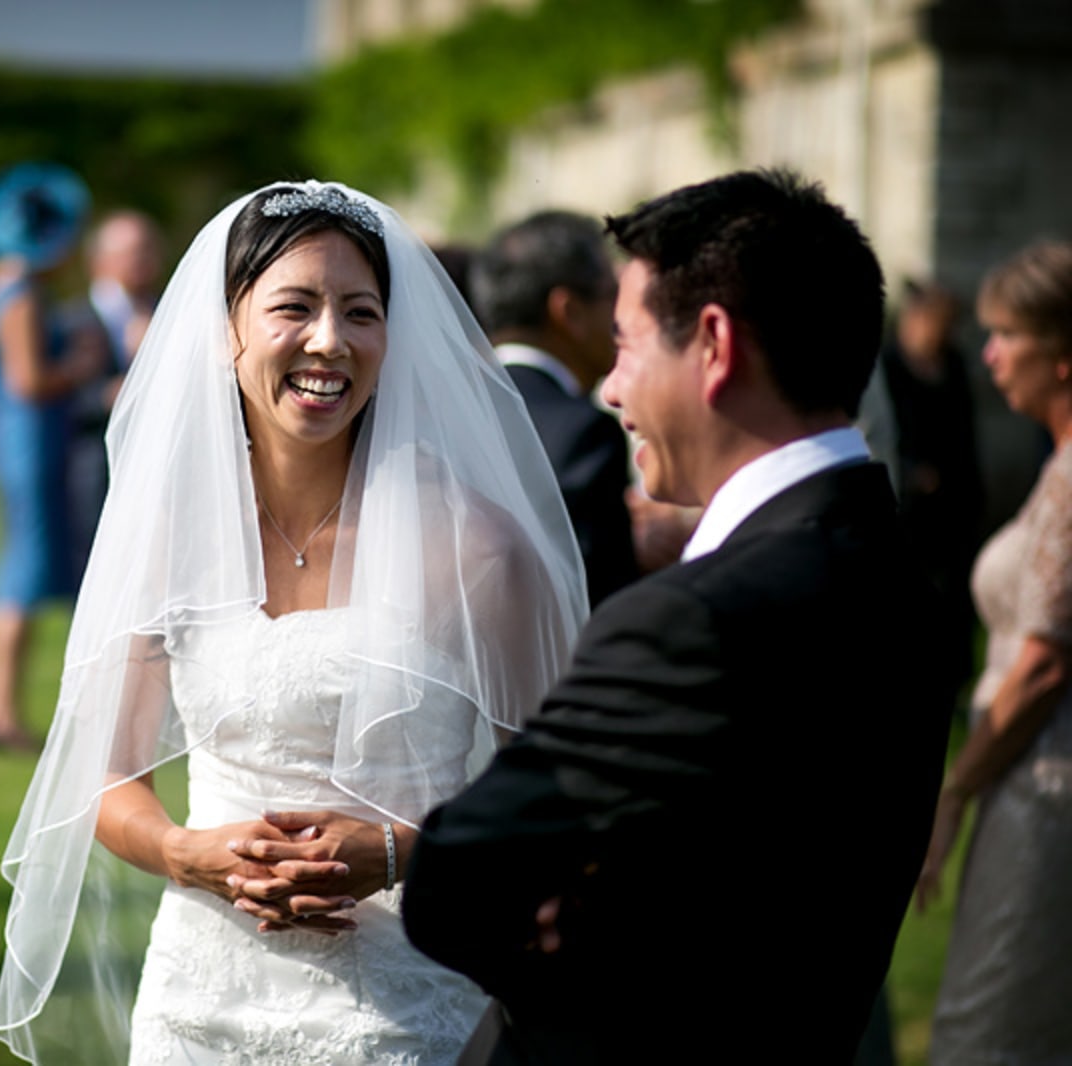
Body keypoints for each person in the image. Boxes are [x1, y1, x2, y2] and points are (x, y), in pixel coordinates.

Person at [0, 180, 588, 1064]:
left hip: (407, 1012)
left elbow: (555, 805)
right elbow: (106, 776)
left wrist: (396, 850)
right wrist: (188, 851)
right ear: (226, 329)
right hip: (198, 1006)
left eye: (361, 312)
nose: (329, 341)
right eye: (294, 307)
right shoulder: (169, 536)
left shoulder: (476, 548)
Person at [403, 169, 952, 1064]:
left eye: (623, 347)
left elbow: (456, 885)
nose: (611, 390)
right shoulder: (900, 579)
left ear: (713, 344)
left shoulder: (689, 619)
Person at [917, 239, 1072, 1063]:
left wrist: (955, 789)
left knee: (989, 1033)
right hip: (1029, 774)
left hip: (1043, 782)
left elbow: (1046, 661)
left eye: (1008, 334)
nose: (989, 354)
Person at [0, 162, 105, 751]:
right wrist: (82, 361)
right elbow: (29, 380)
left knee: (19, 568)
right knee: (22, 574)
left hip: (14, 439)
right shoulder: (21, 294)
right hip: (31, 441)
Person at [471, 210, 639, 605]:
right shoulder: (584, 432)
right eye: (612, 295)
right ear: (570, 311)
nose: (622, 317)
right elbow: (595, 595)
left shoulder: (438, 411)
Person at [861, 278, 983, 712]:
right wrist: (912, 475)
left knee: (952, 606)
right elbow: (882, 438)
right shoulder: (887, 367)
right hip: (908, 510)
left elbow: (965, 437)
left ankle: (951, 689)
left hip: (953, 508)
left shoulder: (952, 365)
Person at [63, 209, 165, 583]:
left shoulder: (172, 313)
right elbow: (53, 396)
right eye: (132, 251)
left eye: (148, 250)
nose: (142, 259)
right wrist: (109, 396)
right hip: (92, 469)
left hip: (161, 473)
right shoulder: (71, 319)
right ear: (101, 260)